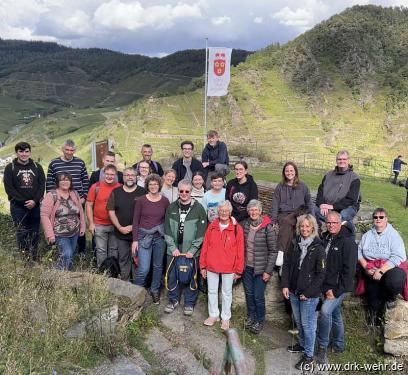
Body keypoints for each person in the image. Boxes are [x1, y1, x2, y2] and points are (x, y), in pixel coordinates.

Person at [281, 214, 326, 370]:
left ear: (313, 227)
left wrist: (308, 292)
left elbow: (321, 275)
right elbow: (286, 265)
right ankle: (301, 345)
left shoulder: (318, 248)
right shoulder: (294, 243)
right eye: (302, 226)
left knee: (308, 326)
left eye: (308, 226)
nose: (305, 229)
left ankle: (309, 357)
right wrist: (285, 285)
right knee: (299, 322)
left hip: (310, 295)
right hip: (293, 291)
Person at [316, 211, 357, 364]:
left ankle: (322, 347)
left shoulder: (348, 242)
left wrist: (336, 291)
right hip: (325, 286)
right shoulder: (326, 237)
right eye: (329, 222)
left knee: (325, 312)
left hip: (339, 287)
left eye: (334, 222)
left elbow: (349, 272)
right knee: (335, 314)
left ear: (341, 223)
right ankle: (339, 345)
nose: (331, 225)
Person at [164, 179, 207, 315]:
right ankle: (173, 300)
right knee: (172, 274)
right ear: (178, 191)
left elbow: (201, 232)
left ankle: (189, 302)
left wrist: (193, 250)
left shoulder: (198, 208)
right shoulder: (171, 207)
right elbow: (167, 229)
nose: (184, 193)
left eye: (187, 191)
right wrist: (172, 248)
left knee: (191, 275)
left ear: (191, 192)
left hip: (191, 249)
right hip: (174, 248)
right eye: (181, 191)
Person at [357, 208, 407, 326]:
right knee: (373, 295)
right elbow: (359, 252)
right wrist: (366, 267)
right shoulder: (367, 236)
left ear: (386, 219)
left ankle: (391, 297)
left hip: (389, 268)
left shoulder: (393, 235)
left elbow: (398, 256)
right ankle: (374, 323)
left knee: (395, 280)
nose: (378, 219)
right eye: (375, 217)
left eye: (381, 217)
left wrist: (381, 271)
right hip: (371, 267)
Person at [200, 200, 244, 330]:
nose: (224, 213)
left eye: (226, 211)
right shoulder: (212, 226)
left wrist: (239, 270)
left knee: (226, 293)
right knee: (212, 291)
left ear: (230, 212)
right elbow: (205, 246)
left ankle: (225, 318)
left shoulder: (237, 228)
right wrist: (202, 265)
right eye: (221, 210)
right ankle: (213, 315)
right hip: (212, 264)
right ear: (218, 212)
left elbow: (240, 250)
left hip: (229, 267)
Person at [3, 142, 45, 261]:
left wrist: (35, 201)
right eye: (21, 151)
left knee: (35, 232)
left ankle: (34, 257)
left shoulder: (37, 167)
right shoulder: (10, 167)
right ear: (16, 153)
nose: (24, 154)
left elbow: (42, 185)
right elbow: (9, 188)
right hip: (18, 207)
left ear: (30, 152)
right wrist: (24, 202)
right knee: (21, 233)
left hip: (35, 206)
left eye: (26, 151)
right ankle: (25, 259)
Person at [132, 174, 170, 304]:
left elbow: (167, 220)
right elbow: (135, 221)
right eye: (151, 184)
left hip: (159, 238)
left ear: (159, 185)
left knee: (158, 266)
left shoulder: (165, 201)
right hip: (143, 237)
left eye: (155, 184)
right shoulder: (141, 200)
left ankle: (155, 291)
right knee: (144, 268)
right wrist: (135, 240)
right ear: (147, 186)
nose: (153, 186)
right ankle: (135, 293)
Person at [46, 139, 89, 253]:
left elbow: (85, 180)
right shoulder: (54, 163)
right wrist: (52, 199)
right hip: (59, 201)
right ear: (62, 149)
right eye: (67, 150)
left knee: (79, 224)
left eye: (72, 150)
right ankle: (60, 251)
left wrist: (84, 196)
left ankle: (81, 253)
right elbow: (49, 182)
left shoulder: (80, 162)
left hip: (77, 200)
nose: (69, 152)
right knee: (59, 224)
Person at [242, 200, 278, 334]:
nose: (253, 212)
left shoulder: (268, 227)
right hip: (247, 267)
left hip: (261, 269)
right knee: (249, 294)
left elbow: (273, 251)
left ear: (260, 211)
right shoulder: (246, 225)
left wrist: (268, 271)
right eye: (251, 210)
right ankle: (251, 316)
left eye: (256, 210)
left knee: (258, 296)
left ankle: (260, 320)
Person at [41, 172, 85, 270]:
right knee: (66, 254)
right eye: (62, 180)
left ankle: (66, 276)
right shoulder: (51, 195)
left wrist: (82, 227)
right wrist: (50, 235)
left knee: (69, 256)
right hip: (59, 233)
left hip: (74, 232)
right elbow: (44, 216)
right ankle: (58, 273)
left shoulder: (74, 193)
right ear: (58, 182)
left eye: (67, 180)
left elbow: (80, 211)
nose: (65, 182)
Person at [107, 167, 146, 281]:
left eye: (132, 175)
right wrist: (119, 227)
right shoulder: (116, 192)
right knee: (123, 259)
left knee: (137, 259)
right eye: (127, 175)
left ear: (136, 177)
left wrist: (134, 227)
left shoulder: (142, 192)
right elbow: (111, 211)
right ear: (123, 177)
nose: (130, 177)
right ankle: (125, 283)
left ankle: (137, 284)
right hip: (121, 233)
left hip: (138, 234)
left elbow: (146, 212)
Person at [271, 162, 314, 256]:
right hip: (283, 214)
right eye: (287, 171)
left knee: (288, 223)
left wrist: (313, 219)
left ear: (295, 172)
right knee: (287, 223)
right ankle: (287, 256)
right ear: (284, 173)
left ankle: (281, 253)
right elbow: (275, 204)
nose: (289, 173)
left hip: (299, 214)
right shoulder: (280, 187)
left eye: (291, 170)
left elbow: (309, 203)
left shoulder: (303, 186)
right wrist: (273, 220)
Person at [315, 150, 360, 233]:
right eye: (339, 159)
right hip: (327, 206)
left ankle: (351, 233)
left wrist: (332, 207)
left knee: (343, 215)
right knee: (312, 209)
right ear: (336, 160)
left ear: (348, 160)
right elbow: (320, 192)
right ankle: (320, 234)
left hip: (348, 207)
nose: (342, 161)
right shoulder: (328, 175)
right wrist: (322, 205)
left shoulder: (354, 178)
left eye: (344, 159)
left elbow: (352, 200)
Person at [86, 164, 121, 267]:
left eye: (112, 174)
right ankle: (103, 273)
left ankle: (113, 272)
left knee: (113, 250)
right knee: (101, 251)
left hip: (115, 225)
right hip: (99, 224)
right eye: (107, 174)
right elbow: (89, 205)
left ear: (116, 175)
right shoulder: (96, 187)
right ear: (103, 174)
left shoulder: (119, 187)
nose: (109, 176)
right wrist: (91, 223)